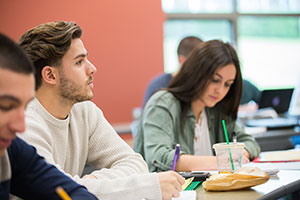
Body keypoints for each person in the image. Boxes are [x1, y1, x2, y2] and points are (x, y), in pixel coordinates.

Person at [18, 21, 184, 200]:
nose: (92, 68)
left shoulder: (85, 111)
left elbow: (135, 163)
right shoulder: (24, 124)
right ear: (50, 75)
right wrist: (147, 186)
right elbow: (58, 193)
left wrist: (94, 180)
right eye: (79, 62)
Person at [134, 40, 261, 172]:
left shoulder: (218, 109)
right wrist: (222, 161)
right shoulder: (162, 103)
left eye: (227, 84)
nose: (220, 90)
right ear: (197, 72)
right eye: (215, 80)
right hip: (174, 191)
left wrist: (239, 156)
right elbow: (158, 157)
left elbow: (249, 143)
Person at [0, 33, 97, 199]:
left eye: (24, 107)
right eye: (7, 106)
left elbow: (70, 191)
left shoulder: (11, 150)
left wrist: (91, 183)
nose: (20, 126)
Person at [142, 36, 203, 108]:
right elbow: (145, 117)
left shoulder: (202, 85)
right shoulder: (158, 85)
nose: (200, 68)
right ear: (181, 60)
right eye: (196, 63)